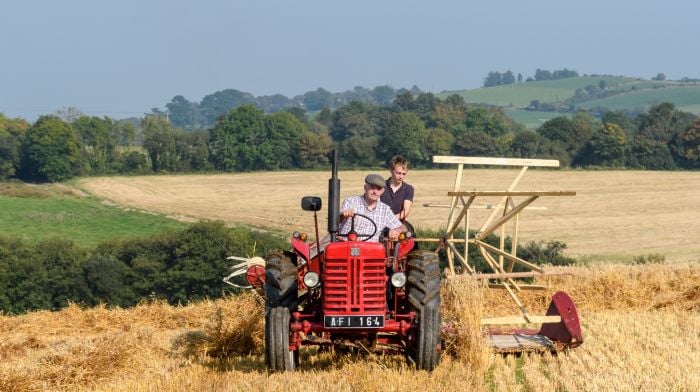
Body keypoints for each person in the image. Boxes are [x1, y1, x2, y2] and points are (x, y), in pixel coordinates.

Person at [339, 174, 407, 242]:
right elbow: (337, 220)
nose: (375, 192)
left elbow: (403, 227)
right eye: (372, 187)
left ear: (382, 191)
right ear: (365, 187)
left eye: (378, 189)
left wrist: (397, 230)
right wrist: (344, 214)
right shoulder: (351, 202)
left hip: (370, 250)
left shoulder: (385, 210)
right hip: (346, 245)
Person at [380, 155, 414, 222]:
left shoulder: (408, 189)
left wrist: (391, 220)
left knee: (410, 232)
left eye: (404, 174)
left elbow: (405, 211)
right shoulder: (380, 185)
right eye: (398, 173)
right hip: (379, 221)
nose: (401, 177)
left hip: (397, 223)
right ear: (391, 170)